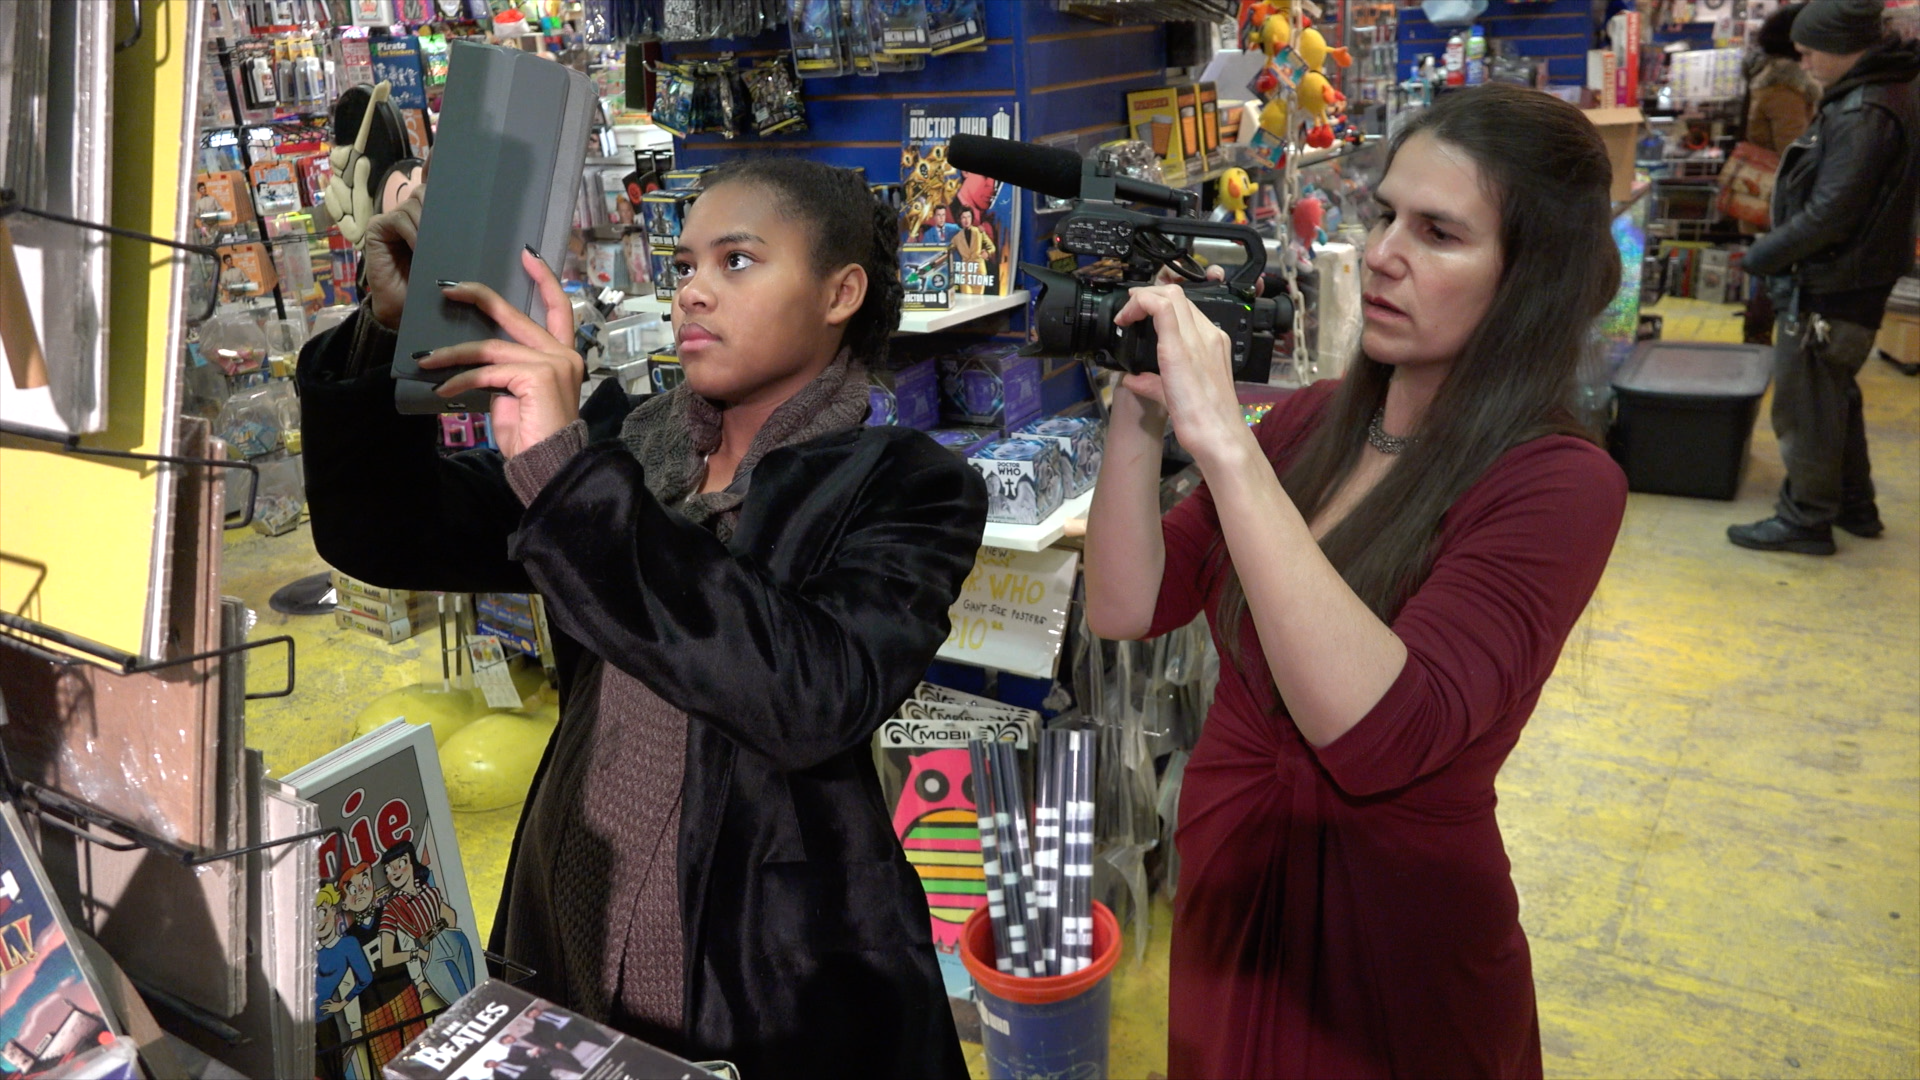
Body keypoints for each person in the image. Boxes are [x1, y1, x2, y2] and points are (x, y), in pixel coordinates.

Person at [297, 156, 985, 1079]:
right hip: (568, 916)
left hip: (767, 972)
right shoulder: (638, 440)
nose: (695, 290)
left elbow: (809, 694)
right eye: (685, 264)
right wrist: (389, 334)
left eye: (737, 261)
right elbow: (387, 531)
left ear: (840, 292)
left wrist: (567, 473)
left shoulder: (905, 485)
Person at [1082, 84, 1628, 1078]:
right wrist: (1140, 412)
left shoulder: (1559, 484)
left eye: (1439, 232)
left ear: (1528, 278)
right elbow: (1128, 604)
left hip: (1393, 933)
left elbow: (1383, 733)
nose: (1382, 251)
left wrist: (1226, 450)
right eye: (1384, 214)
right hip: (1233, 889)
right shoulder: (1313, 427)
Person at [1733, 0, 1918, 555]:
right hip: (1854, 277)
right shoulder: (1886, 91)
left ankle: (1805, 520)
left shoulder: (1865, 111)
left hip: (1831, 281)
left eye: (1812, 47)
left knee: (1807, 405)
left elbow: (1833, 212)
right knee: (1834, 394)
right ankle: (1856, 508)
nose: (1803, 55)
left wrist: (1764, 254)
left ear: (1845, 44)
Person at [1739, 4, 1819, 344]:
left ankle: (1757, 335)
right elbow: (1794, 148)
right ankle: (1758, 336)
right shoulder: (1785, 86)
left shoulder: (1768, 76)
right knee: (1775, 266)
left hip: (1764, 189)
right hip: (1777, 195)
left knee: (1770, 263)